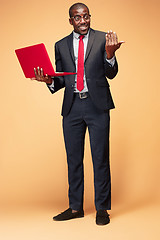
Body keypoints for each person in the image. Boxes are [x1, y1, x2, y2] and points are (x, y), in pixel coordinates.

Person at [32, 2, 124, 225]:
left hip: (97, 106)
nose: (83, 21)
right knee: (74, 159)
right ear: (70, 20)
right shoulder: (60, 45)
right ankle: (75, 208)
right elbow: (62, 78)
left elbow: (111, 73)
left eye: (86, 16)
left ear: (89, 17)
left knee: (100, 158)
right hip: (72, 107)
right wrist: (49, 80)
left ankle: (102, 208)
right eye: (77, 18)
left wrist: (110, 55)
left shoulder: (103, 39)